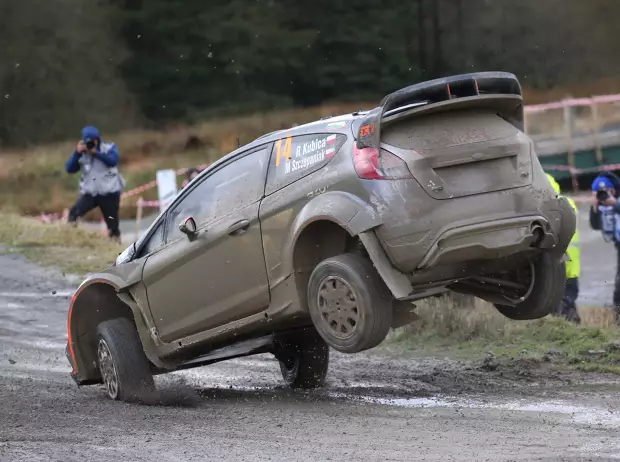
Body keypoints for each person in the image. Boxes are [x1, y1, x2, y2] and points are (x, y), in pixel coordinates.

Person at [65, 126, 126, 242]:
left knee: (113, 225)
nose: (91, 143)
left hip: (109, 193)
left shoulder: (109, 148)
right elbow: (69, 169)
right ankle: (70, 239)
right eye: (88, 141)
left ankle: (115, 245)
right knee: (73, 215)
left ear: (98, 139)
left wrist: (96, 153)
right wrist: (76, 153)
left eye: (93, 140)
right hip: (90, 193)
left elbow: (113, 161)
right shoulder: (82, 153)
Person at [546, 174, 581, 323]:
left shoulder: (549, 211)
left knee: (559, 309)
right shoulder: (569, 203)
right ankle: (574, 332)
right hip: (572, 270)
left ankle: (565, 333)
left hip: (558, 270)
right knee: (569, 305)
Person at [589, 171, 620, 318]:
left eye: (607, 191)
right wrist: (595, 208)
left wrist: (615, 203)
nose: (604, 195)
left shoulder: (616, 201)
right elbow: (595, 226)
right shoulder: (603, 205)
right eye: (599, 192)